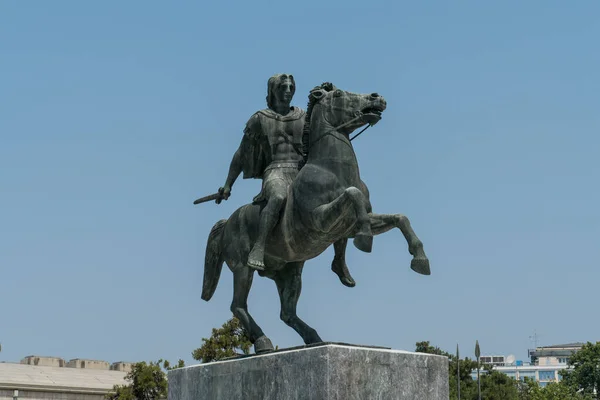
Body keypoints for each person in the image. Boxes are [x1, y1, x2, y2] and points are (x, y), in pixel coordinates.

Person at [217, 74, 356, 287]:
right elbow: (241, 153)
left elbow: (329, 112)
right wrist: (228, 184)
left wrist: (330, 91)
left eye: (291, 86)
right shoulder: (259, 118)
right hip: (276, 170)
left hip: (303, 170)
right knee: (278, 196)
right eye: (283, 86)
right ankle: (259, 247)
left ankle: (339, 259)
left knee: (339, 199)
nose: (288, 90)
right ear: (273, 90)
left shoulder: (302, 115)